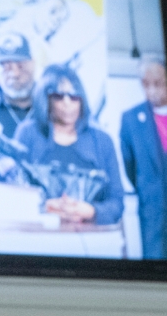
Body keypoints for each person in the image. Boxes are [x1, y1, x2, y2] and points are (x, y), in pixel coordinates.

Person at [13, 65, 123, 226]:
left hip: (92, 242)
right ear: (46, 99)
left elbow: (117, 201)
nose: (67, 103)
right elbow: (12, 193)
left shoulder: (102, 141)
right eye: (59, 96)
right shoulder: (28, 134)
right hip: (38, 238)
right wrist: (43, 207)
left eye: (73, 96)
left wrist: (91, 211)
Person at [119, 59, 167, 259]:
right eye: (146, 84)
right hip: (152, 217)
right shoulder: (130, 119)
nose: (152, 90)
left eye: (158, 83)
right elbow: (130, 167)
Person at [0, 31, 39, 141]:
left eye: (21, 66)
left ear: (33, 64)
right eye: (7, 67)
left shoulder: (51, 102)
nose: (15, 73)